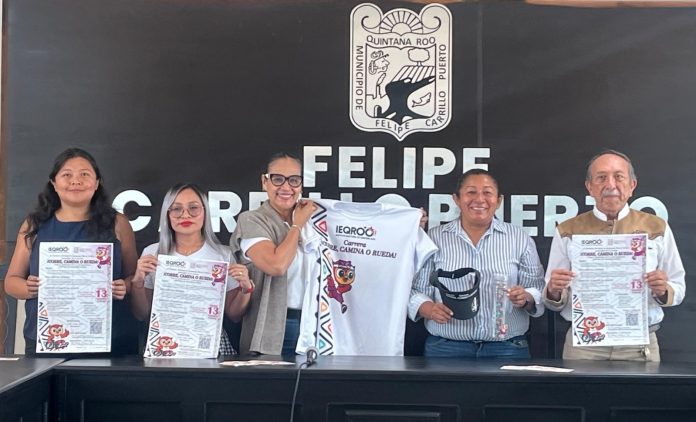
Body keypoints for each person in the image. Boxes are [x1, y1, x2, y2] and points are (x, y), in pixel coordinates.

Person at [543, 150, 685, 361]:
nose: (610, 185)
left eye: (619, 177)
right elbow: (551, 297)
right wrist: (554, 290)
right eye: (601, 178)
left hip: (638, 344)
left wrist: (663, 290)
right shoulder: (567, 229)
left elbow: (679, 288)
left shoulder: (656, 227)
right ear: (589, 187)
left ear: (632, 185)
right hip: (585, 345)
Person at [4, 148, 139, 355]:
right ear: (53, 183)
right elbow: (11, 282)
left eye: (84, 174)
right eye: (67, 175)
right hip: (49, 340)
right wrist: (28, 288)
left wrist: (125, 286)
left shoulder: (118, 223)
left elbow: (134, 277)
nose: (76, 181)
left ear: (97, 183)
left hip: (109, 339)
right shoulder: (35, 224)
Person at [408, 169, 545, 359]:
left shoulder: (519, 239)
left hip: (507, 348)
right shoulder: (434, 238)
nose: (479, 199)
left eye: (487, 192)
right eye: (471, 192)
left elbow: (538, 289)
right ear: (456, 199)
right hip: (446, 348)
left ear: (499, 200)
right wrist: (429, 309)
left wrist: (526, 297)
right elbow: (415, 290)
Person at [130, 183, 252, 356]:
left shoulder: (223, 255)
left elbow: (234, 315)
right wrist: (138, 282)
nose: (185, 215)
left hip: (210, 344)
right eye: (176, 209)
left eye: (193, 208)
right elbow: (141, 314)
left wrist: (246, 289)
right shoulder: (152, 253)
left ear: (205, 212)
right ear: (167, 215)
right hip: (165, 345)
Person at [230, 152, 316, 356]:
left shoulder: (316, 219)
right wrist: (297, 225)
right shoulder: (252, 220)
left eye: (294, 180)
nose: (286, 187)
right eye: (278, 179)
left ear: (301, 185)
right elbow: (276, 266)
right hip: (276, 324)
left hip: (316, 323)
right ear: (264, 182)